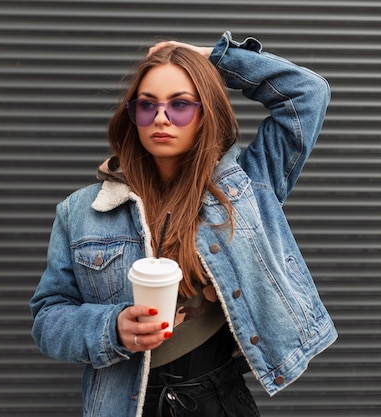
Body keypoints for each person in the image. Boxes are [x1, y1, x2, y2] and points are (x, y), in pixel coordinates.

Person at [30, 31, 337, 417]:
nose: (161, 118)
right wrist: (112, 328)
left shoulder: (247, 186)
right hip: (124, 404)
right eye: (146, 106)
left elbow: (307, 93)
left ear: (205, 112)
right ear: (132, 116)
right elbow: (48, 318)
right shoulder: (82, 211)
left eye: (180, 105)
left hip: (219, 399)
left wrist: (214, 57)